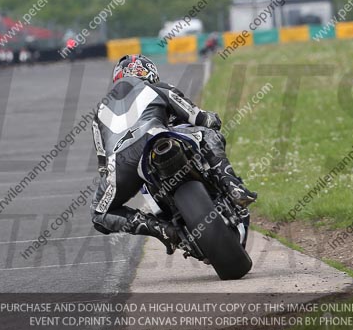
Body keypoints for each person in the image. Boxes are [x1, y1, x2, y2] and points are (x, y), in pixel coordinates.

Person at [90, 54, 257, 254]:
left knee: (99, 213)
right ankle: (233, 186)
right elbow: (201, 118)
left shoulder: (99, 111)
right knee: (209, 134)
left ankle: (161, 229)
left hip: (121, 164)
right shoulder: (158, 88)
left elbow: (102, 164)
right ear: (150, 73)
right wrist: (214, 118)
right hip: (156, 136)